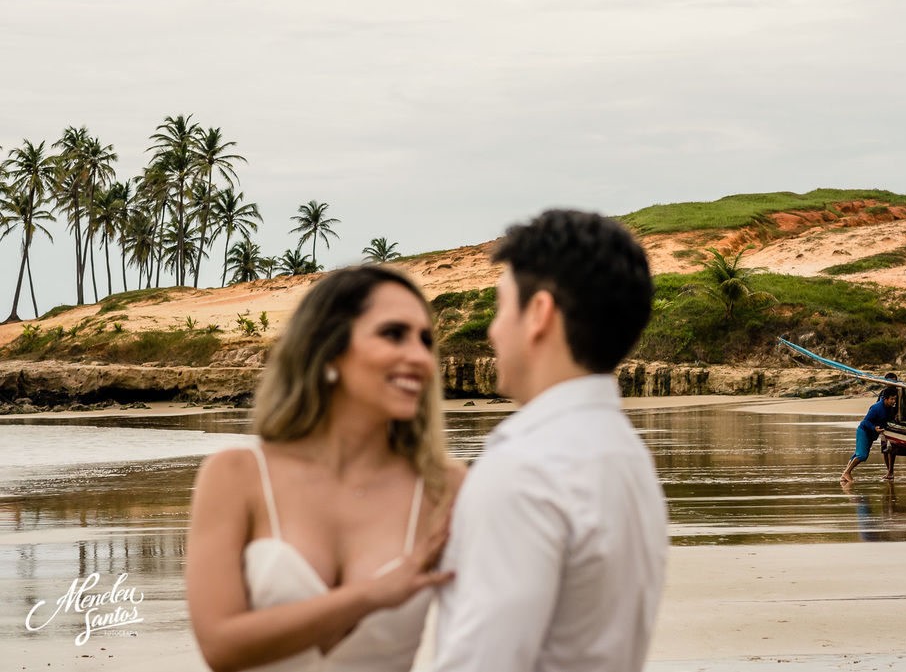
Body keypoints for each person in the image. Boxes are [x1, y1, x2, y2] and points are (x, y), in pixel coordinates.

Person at [186, 266, 465, 672]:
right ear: (329, 349)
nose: (420, 357)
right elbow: (220, 646)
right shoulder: (236, 476)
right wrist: (372, 595)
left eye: (425, 340)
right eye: (393, 334)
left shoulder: (445, 488)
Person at [434, 209, 668, 672]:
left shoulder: (525, 468)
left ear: (539, 313)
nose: (492, 330)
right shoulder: (628, 456)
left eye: (502, 308)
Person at [840, 386, 899, 483]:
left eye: (895, 399)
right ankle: (846, 473)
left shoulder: (889, 407)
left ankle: (844, 476)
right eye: (892, 399)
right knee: (862, 455)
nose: (894, 401)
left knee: (858, 454)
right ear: (885, 399)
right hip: (864, 432)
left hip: (871, 434)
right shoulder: (876, 408)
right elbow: (866, 421)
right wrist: (874, 428)